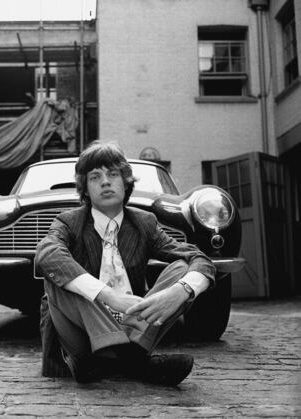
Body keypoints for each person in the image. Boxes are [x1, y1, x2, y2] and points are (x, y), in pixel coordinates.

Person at [35, 141, 216, 385]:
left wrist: (179, 291)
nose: (105, 182)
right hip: (82, 334)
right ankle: (136, 363)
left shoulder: (144, 223)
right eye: (95, 177)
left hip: (134, 329)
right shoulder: (68, 222)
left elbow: (199, 259)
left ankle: (115, 360)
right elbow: (46, 254)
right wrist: (109, 296)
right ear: (85, 189)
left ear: (125, 182)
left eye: (113, 174)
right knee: (56, 272)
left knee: (183, 268)